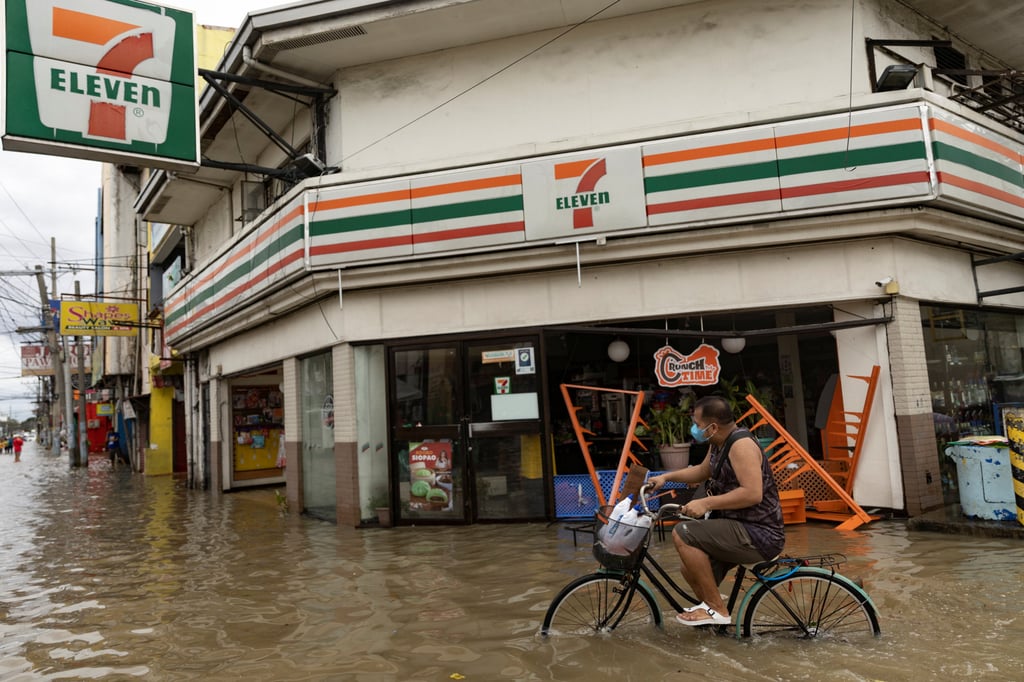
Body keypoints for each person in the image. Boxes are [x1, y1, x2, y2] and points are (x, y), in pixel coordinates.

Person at [648, 395, 784, 627]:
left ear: (712, 426)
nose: (695, 429)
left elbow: (753, 493)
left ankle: (716, 609)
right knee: (688, 567)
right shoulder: (718, 442)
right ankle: (712, 619)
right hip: (738, 526)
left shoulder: (740, 445)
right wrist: (665, 477)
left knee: (683, 533)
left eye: (698, 425)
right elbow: (702, 471)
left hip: (759, 533)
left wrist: (706, 503)